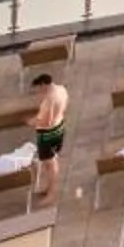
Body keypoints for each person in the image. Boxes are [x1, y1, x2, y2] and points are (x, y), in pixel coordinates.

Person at [29, 71, 69, 207]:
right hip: (60, 128)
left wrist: (32, 121)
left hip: (48, 135)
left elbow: (47, 121)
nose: (39, 92)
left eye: (40, 88)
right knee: (51, 162)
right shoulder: (62, 90)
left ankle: (52, 193)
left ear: (43, 84)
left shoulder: (49, 100)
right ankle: (48, 187)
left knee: (50, 165)